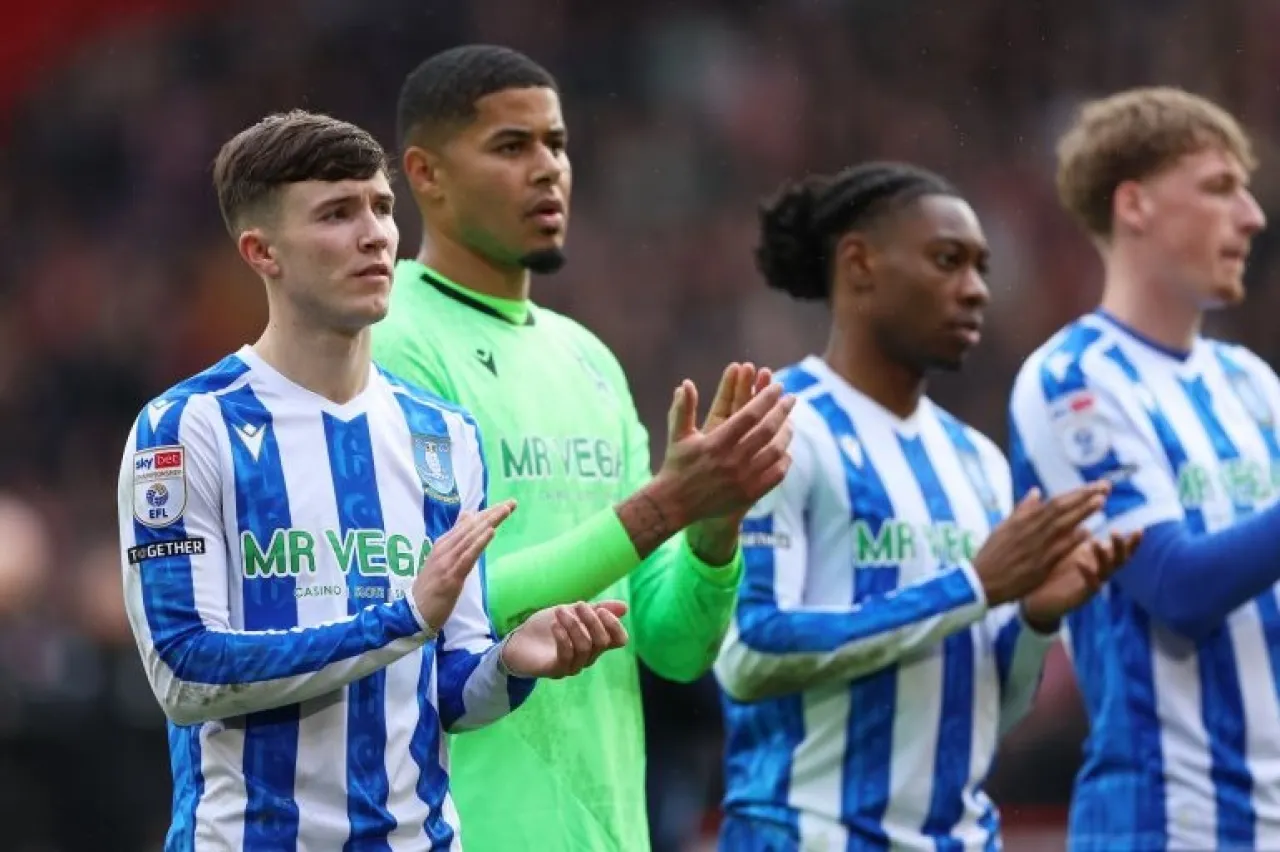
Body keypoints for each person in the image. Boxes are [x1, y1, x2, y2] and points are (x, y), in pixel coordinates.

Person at [117, 109, 628, 850]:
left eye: (382, 207)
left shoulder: (443, 435)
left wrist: (511, 663)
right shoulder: (187, 428)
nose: (376, 235)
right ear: (262, 251)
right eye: (337, 213)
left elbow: (447, 689)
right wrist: (400, 620)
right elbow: (185, 674)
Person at [370, 45, 793, 851]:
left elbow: (672, 647)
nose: (547, 169)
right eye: (511, 145)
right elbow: (426, 607)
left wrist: (713, 529)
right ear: (426, 174)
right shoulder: (394, 342)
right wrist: (666, 503)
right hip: (466, 827)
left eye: (557, 144)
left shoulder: (588, 359)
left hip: (611, 831)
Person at [714, 161, 1140, 851]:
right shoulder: (781, 428)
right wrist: (971, 586)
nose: (975, 290)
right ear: (859, 264)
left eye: (982, 268)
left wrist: (1036, 620)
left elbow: (988, 711)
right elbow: (752, 654)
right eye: (948, 261)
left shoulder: (977, 461)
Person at [1009, 87, 1277, 851]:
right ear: (1135, 205)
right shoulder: (1073, 382)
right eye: (1220, 187)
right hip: (1165, 823)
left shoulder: (1251, 384)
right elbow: (1174, 586)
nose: (1252, 216)